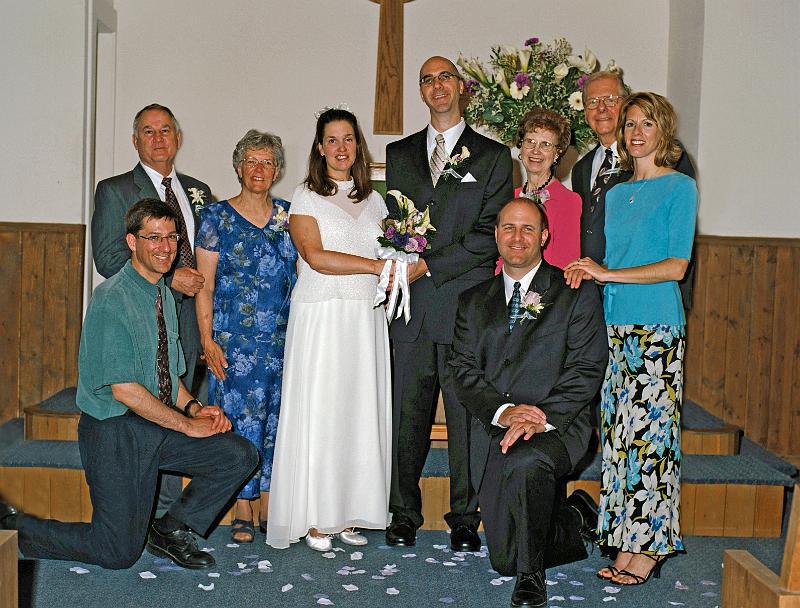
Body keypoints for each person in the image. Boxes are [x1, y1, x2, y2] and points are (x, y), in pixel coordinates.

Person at [0, 199, 258, 570]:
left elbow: (168, 377)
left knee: (238, 454)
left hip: (157, 421)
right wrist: (187, 425)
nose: (165, 247)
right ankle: (14, 527)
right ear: (132, 242)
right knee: (117, 552)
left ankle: (168, 530)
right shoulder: (112, 299)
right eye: (153, 237)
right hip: (115, 430)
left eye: (171, 237)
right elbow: (126, 390)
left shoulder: (164, 294)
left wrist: (195, 408)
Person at [565, 92, 698, 586]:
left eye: (646, 123)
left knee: (652, 439)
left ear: (663, 131)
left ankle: (652, 545)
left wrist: (608, 275)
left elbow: (675, 266)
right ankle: (623, 538)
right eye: (630, 124)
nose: (636, 132)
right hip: (614, 325)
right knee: (620, 438)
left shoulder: (680, 188)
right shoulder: (616, 193)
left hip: (657, 327)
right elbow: (605, 262)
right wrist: (587, 271)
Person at [450, 198, 607, 607]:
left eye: (527, 229)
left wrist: (543, 416)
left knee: (527, 464)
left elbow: (587, 367)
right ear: (496, 234)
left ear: (545, 236)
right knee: (503, 558)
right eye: (508, 228)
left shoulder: (574, 294)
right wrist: (504, 413)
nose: (517, 238)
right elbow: (462, 370)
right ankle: (574, 516)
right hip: (497, 428)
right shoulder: (472, 300)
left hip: (557, 427)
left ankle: (531, 577)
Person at [384, 55, 514, 551]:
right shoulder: (398, 155)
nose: (437, 86)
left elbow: (490, 235)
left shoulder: (494, 156)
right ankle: (402, 511)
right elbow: (393, 227)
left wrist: (429, 264)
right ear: (420, 91)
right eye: (427, 80)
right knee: (406, 417)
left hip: (465, 309)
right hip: (411, 310)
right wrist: (401, 263)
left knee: (466, 420)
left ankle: (465, 516)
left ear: (461, 87)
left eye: (445, 78)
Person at [266, 108, 392, 552]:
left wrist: (405, 266)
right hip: (323, 314)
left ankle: (348, 510)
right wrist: (376, 266)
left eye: (349, 139)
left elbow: (394, 252)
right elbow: (316, 257)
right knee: (323, 410)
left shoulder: (375, 200)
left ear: (358, 145)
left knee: (357, 412)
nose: (341, 148)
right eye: (332, 140)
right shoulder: (305, 196)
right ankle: (318, 515)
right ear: (320, 147)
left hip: (363, 316)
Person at [92, 103, 211, 508]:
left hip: (191, 322)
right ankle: (148, 510)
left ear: (178, 138)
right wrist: (169, 275)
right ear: (134, 140)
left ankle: (169, 514)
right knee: (147, 414)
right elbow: (108, 257)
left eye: (165, 130)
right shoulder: (115, 190)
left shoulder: (198, 191)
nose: (158, 138)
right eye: (148, 131)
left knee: (178, 412)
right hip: (144, 318)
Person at [195, 130, 297, 543]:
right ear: (238, 168)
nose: (259, 169)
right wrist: (206, 338)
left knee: (280, 421)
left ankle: (273, 501)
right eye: (251, 162)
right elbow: (204, 283)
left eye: (267, 162)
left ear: (277, 170)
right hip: (233, 344)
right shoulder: (216, 217)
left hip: (284, 341)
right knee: (239, 424)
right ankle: (242, 504)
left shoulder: (290, 216)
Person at [570, 71, 696, 306]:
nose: (601, 108)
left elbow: (677, 239)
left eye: (610, 99)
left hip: (652, 298)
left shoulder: (664, 157)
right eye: (593, 102)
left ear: (625, 104)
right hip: (598, 295)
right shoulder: (582, 168)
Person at [513, 108, 581, 269]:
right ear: (521, 147)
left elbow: (566, 262)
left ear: (557, 153)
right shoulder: (509, 197)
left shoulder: (569, 201)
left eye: (546, 144)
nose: (536, 151)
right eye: (530, 141)